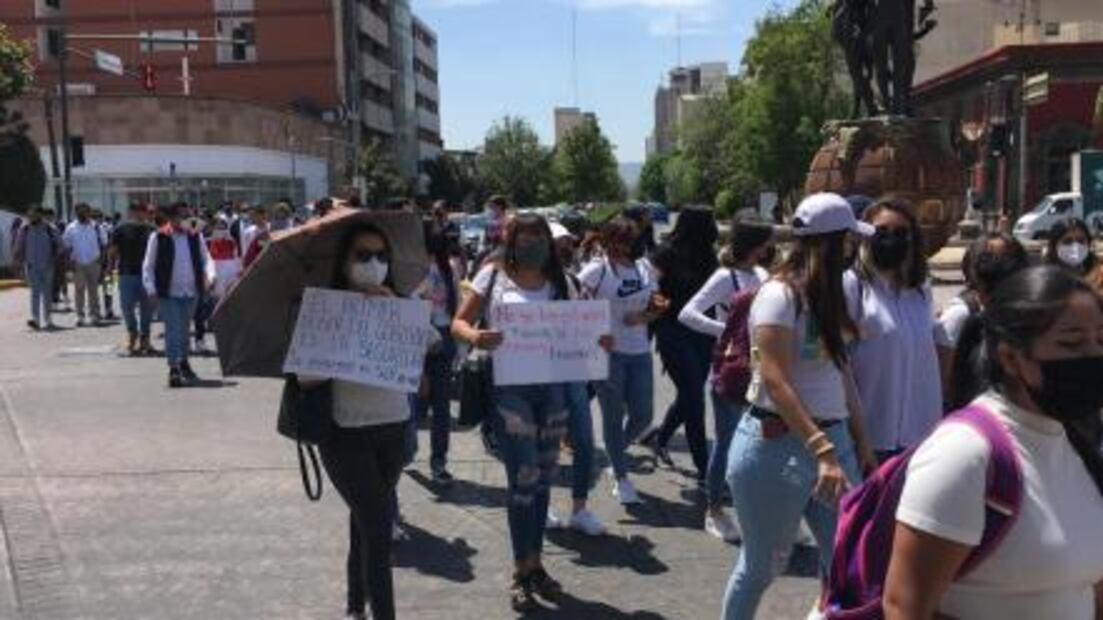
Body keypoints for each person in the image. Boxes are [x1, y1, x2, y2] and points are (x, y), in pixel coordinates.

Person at [883, 266, 1103, 619]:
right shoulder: (964, 453)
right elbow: (904, 607)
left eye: (1100, 341)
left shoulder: (1074, 444)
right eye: (1071, 344)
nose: (1092, 356)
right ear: (1011, 358)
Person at [721, 193, 878, 620]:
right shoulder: (778, 295)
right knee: (761, 568)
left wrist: (861, 443)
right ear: (831, 242)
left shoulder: (832, 294)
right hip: (776, 447)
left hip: (834, 443)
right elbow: (775, 379)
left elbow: (841, 373)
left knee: (847, 561)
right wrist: (822, 450)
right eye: (849, 240)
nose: (854, 250)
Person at [453, 214, 601, 612]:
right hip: (510, 391)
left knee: (543, 480)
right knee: (523, 480)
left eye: (539, 236)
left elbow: (586, 329)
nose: (532, 243)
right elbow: (459, 323)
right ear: (511, 240)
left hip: (553, 390)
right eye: (524, 236)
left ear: (549, 243)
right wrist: (476, 336)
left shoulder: (565, 282)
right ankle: (520, 571)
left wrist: (599, 338)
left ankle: (536, 565)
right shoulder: (492, 276)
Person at [306, 222, 435, 620]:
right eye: (363, 255)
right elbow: (307, 377)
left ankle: (354, 604)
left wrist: (394, 309)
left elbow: (431, 347)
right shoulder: (325, 308)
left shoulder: (398, 302)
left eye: (381, 256)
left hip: (393, 429)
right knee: (379, 528)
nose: (374, 264)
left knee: (365, 520)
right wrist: (349, 324)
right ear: (344, 261)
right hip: (345, 436)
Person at [678, 210, 773, 543]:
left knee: (762, 442)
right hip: (732, 371)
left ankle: (762, 512)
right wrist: (728, 331)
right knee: (726, 440)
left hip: (762, 369)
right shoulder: (724, 277)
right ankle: (714, 509)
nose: (770, 248)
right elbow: (687, 313)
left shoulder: (762, 274)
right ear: (754, 244)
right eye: (765, 242)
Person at [846, 199, 945, 462]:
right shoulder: (853, 286)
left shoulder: (920, 290)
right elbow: (838, 363)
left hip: (919, 436)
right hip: (869, 439)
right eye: (881, 231)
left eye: (901, 232)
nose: (891, 239)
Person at [581, 216, 669, 507]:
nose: (624, 246)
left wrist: (650, 313)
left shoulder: (644, 268)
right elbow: (573, 304)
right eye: (619, 240)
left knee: (643, 415)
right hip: (605, 353)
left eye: (629, 241)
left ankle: (614, 452)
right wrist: (595, 331)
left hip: (640, 350)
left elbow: (654, 302)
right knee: (613, 415)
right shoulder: (596, 270)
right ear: (607, 240)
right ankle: (621, 478)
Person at [641, 205, 719, 485]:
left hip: (703, 333)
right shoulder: (664, 254)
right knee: (694, 397)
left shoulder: (710, 255)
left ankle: (661, 438)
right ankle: (705, 469)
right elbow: (647, 290)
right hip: (672, 331)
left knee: (690, 394)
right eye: (709, 222)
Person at [545, 222, 605, 536]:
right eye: (559, 244)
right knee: (546, 444)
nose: (565, 249)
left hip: (574, 372)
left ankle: (580, 509)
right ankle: (542, 505)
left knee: (583, 441)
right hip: (541, 376)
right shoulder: (524, 285)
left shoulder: (572, 280)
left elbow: (588, 321)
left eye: (567, 243)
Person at [940, 234, 1030, 410]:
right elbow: (948, 388)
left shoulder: (1035, 320)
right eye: (990, 263)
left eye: (1010, 262)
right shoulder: (962, 317)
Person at [142, 202, 215, 388]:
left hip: (191, 291)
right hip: (168, 292)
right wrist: (151, 289)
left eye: (187, 216)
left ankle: (183, 361)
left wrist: (210, 276)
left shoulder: (195, 235)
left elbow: (206, 258)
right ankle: (173, 367)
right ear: (171, 218)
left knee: (184, 330)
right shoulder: (159, 236)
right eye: (182, 216)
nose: (186, 219)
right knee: (173, 329)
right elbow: (148, 266)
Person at [411, 220, 461, 484]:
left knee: (414, 400)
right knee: (440, 407)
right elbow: (458, 305)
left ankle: (408, 451)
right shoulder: (449, 267)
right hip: (443, 337)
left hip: (419, 336)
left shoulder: (414, 270)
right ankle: (438, 463)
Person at [110, 203, 156, 355]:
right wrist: (110, 268)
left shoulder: (152, 230)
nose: (139, 214)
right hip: (126, 273)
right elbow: (113, 250)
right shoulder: (120, 229)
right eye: (136, 210)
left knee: (147, 308)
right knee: (126, 306)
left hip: (147, 275)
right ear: (130, 212)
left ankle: (145, 338)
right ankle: (132, 333)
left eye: (142, 211)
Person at [12, 207, 60, 330]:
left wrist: (53, 259)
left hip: (48, 266)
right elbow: (18, 247)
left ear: (40, 215)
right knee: (35, 293)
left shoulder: (50, 229)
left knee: (47, 293)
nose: (31, 218)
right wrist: (18, 263)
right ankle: (36, 319)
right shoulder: (25, 229)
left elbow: (60, 245)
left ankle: (48, 319)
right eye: (30, 215)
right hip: (31, 266)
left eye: (33, 215)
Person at [63, 203, 106, 326]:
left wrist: (101, 260)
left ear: (89, 212)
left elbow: (104, 244)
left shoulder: (96, 227)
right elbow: (66, 246)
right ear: (76, 213)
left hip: (94, 262)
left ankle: (94, 315)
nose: (82, 214)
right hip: (77, 263)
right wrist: (69, 263)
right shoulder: (70, 228)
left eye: (84, 211)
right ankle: (80, 316)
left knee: (93, 290)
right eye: (79, 212)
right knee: (79, 290)